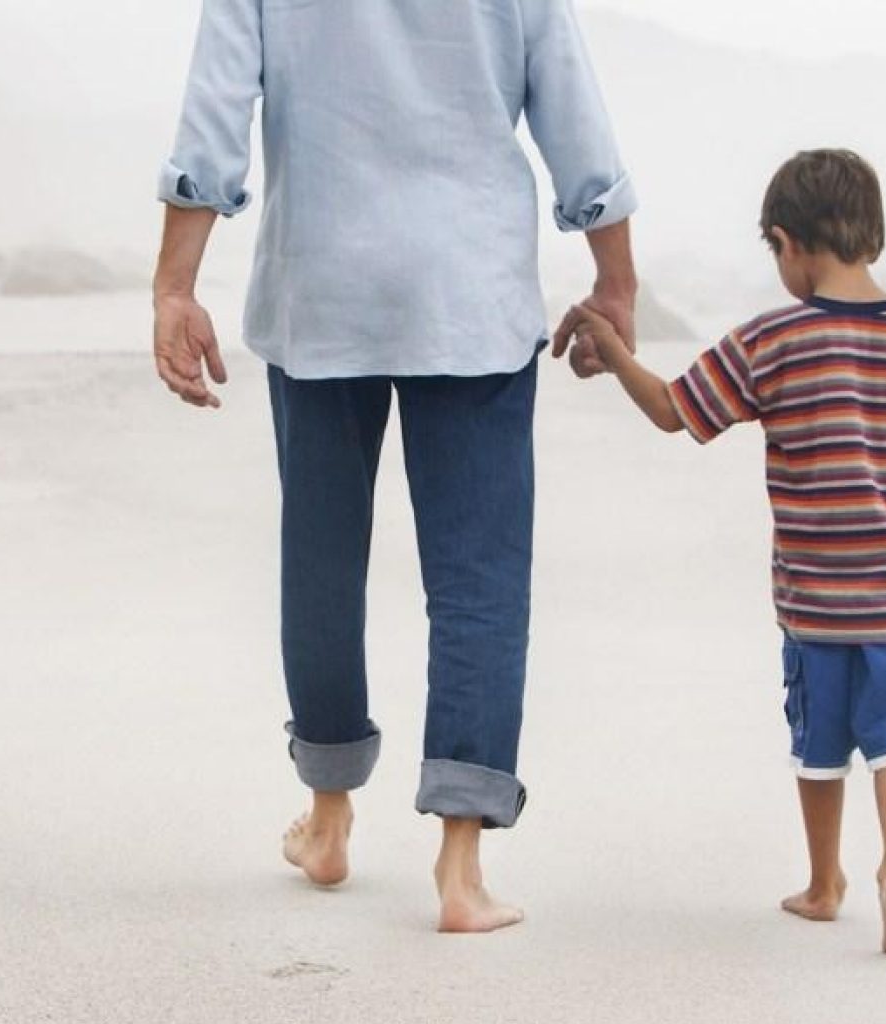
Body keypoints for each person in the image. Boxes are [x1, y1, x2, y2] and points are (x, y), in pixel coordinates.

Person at [153, 1, 637, 932]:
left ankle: (329, 817)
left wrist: (176, 285)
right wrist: (614, 276)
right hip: (472, 294)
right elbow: (573, 111)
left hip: (322, 291)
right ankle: (460, 866)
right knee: (480, 579)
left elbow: (213, 119)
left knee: (323, 560)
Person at [559, 150, 886, 955]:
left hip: (815, 597)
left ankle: (824, 882)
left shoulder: (772, 339)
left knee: (819, 741)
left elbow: (674, 410)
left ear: (790, 244)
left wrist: (611, 349)